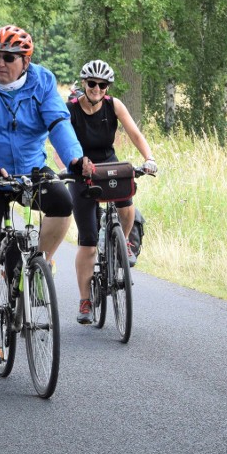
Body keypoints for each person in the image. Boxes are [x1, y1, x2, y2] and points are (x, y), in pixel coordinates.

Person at [0, 24, 92, 365]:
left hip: (31, 167)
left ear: (25, 61)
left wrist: (74, 158)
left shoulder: (42, 81)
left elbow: (58, 123)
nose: (0, 63)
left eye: (9, 58)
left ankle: (36, 262)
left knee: (63, 203)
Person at [60, 59, 157, 324]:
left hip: (108, 164)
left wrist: (148, 158)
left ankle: (121, 241)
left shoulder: (114, 105)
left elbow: (135, 133)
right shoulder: (69, 110)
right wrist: (71, 168)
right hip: (81, 170)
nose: (97, 88)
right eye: (92, 83)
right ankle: (85, 300)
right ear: (84, 84)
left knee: (127, 206)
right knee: (89, 241)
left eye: (102, 85)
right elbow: (59, 145)